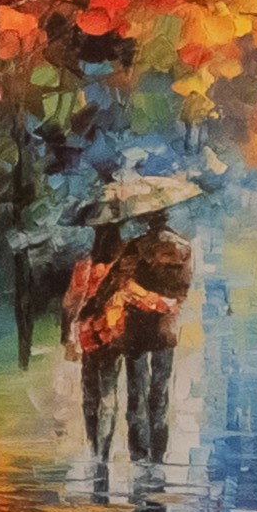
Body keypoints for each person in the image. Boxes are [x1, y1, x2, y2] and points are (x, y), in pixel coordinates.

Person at [63, 200, 195, 466]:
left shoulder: (135, 247)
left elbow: (118, 286)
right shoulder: (180, 248)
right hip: (159, 330)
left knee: (137, 394)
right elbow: (181, 290)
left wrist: (133, 295)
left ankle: (138, 454)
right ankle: (153, 456)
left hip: (134, 331)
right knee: (155, 395)